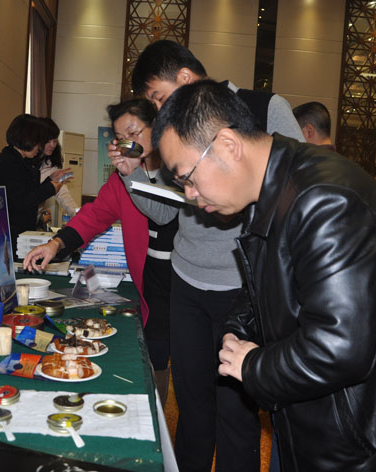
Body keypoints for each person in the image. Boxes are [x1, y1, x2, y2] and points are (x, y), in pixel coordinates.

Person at [152, 79, 376, 471]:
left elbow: (342, 346)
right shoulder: (271, 188)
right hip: (331, 414)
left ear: (227, 145)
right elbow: (267, 285)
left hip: (371, 431)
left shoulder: (325, 199)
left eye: (188, 177)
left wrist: (253, 366)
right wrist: (236, 330)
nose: (190, 195)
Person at [110, 39, 305, 472]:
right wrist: (133, 174)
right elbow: (166, 211)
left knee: (236, 412)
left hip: (242, 290)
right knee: (192, 405)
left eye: (158, 96)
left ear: (184, 77)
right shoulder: (175, 132)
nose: (158, 109)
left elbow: (296, 185)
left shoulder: (264, 108)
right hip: (187, 283)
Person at [23, 98, 177, 405]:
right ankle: (155, 411)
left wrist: (132, 174)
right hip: (152, 282)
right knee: (156, 353)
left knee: (195, 372)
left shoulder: (180, 167)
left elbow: (165, 214)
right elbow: (94, 215)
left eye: (134, 133)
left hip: (188, 282)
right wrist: (55, 243)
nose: (127, 144)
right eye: (120, 138)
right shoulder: (123, 178)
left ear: (158, 128)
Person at [0, 114, 71, 257]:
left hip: (19, 235)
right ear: (27, 139)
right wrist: (50, 187)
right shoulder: (10, 162)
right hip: (9, 237)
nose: (40, 147)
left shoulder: (21, 161)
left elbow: (28, 191)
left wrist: (50, 181)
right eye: (38, 142)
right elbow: (22, 201)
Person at [38, 117, 79, 220]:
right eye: (48, 141)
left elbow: (63, 195)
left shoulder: (53, 164)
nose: (52, 145)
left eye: (55, 141)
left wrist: (80, 215)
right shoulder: (22, 161)